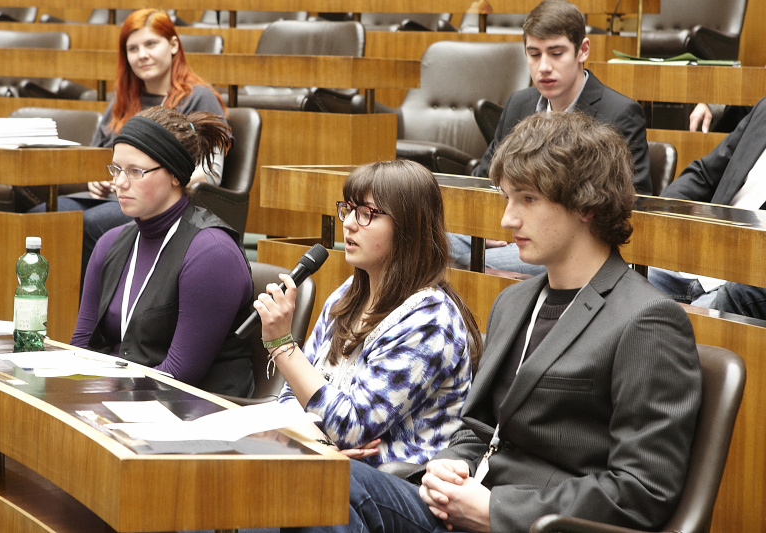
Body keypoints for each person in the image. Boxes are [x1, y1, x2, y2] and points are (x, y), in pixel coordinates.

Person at [290, 112, 701, 533]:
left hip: (526, 522)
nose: (507, 219)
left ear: (586, 204)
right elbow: (479, 428)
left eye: (527, 199)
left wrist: (496, 510)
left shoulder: (648, 320)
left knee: (327, 484)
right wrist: (447, 465)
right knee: (295, 475)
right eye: (507, 198)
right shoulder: (514, 301)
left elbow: (642, 490)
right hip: (455, 508)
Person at [253, 160, 481, 467]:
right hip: (337, 465)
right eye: (348, 209)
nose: (348, 224)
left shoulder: (430, 319)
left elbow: (351, 428)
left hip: (400, 489)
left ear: (407, 226)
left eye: (366, 214)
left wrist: (282, 345)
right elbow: (292, 395)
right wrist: (322, 445)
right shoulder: (347, 295)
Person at [449, 0, 651, 273]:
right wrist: (494, 223)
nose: (543, 66)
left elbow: (630, 204)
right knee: (425, 243)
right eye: (534, 54)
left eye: (556, 54)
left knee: (470, 265)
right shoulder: (518, 104)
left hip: (567, 244)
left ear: (583, 50)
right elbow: (486, 178)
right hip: (506, 228)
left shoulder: (619, 113)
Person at [31, 8, 227, 281]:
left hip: (158, 202)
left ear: (172, 45)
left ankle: (87, 313)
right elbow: (97, 157)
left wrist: (148, 182)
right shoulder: (121, 101)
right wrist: (95, 180)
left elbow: (210, 172)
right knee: (40, 216)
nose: (142, 55)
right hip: (108, 197)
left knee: (91, 224)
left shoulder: (200, 98)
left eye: (150, 44)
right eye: (132, 48)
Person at [71, 106, 253, 397]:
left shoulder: (212, 255)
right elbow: (82, 346)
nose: (119, 183)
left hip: (196, 413)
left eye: (135, 171)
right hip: (129, 402)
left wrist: (104, 398)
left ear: (175, 176)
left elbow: (179, 374)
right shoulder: (108, 244)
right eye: (116, 169)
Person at [651, 96, 766, 319]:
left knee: (673, 327)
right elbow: (704, 173)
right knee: (613, 279)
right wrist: (659, 214)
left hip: (745, 277)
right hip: (700, 257)